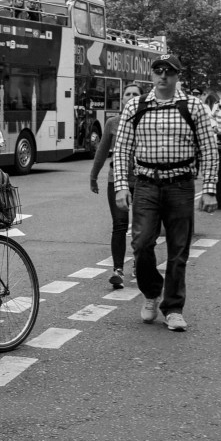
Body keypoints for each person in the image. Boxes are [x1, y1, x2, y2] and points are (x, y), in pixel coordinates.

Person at [112, 53, 218, 332]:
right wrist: (121, 186)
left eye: (169, 72)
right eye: (158, 70)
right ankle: (151, 292)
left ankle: (173, 308)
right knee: (141, 244)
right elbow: (122, 149)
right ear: (152, 74)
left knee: (178, 250)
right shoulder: (136, 106)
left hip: (180, 185)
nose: (162, 76)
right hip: (146, 183)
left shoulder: (193, 107)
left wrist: (209, 190)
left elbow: (209, 149)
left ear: (177, 76)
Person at [89, 83, 143, 289]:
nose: (130, 97)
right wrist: (93, 177)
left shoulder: (147, 121)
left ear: (140, 99)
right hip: (116, 180)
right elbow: (101, 152)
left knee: (141, 225)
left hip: (142, 181)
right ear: (121, 100)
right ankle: (118, 270)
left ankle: (139, 263)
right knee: (120, 224)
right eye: (127, 94)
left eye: (135, 94)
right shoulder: (113, 122)